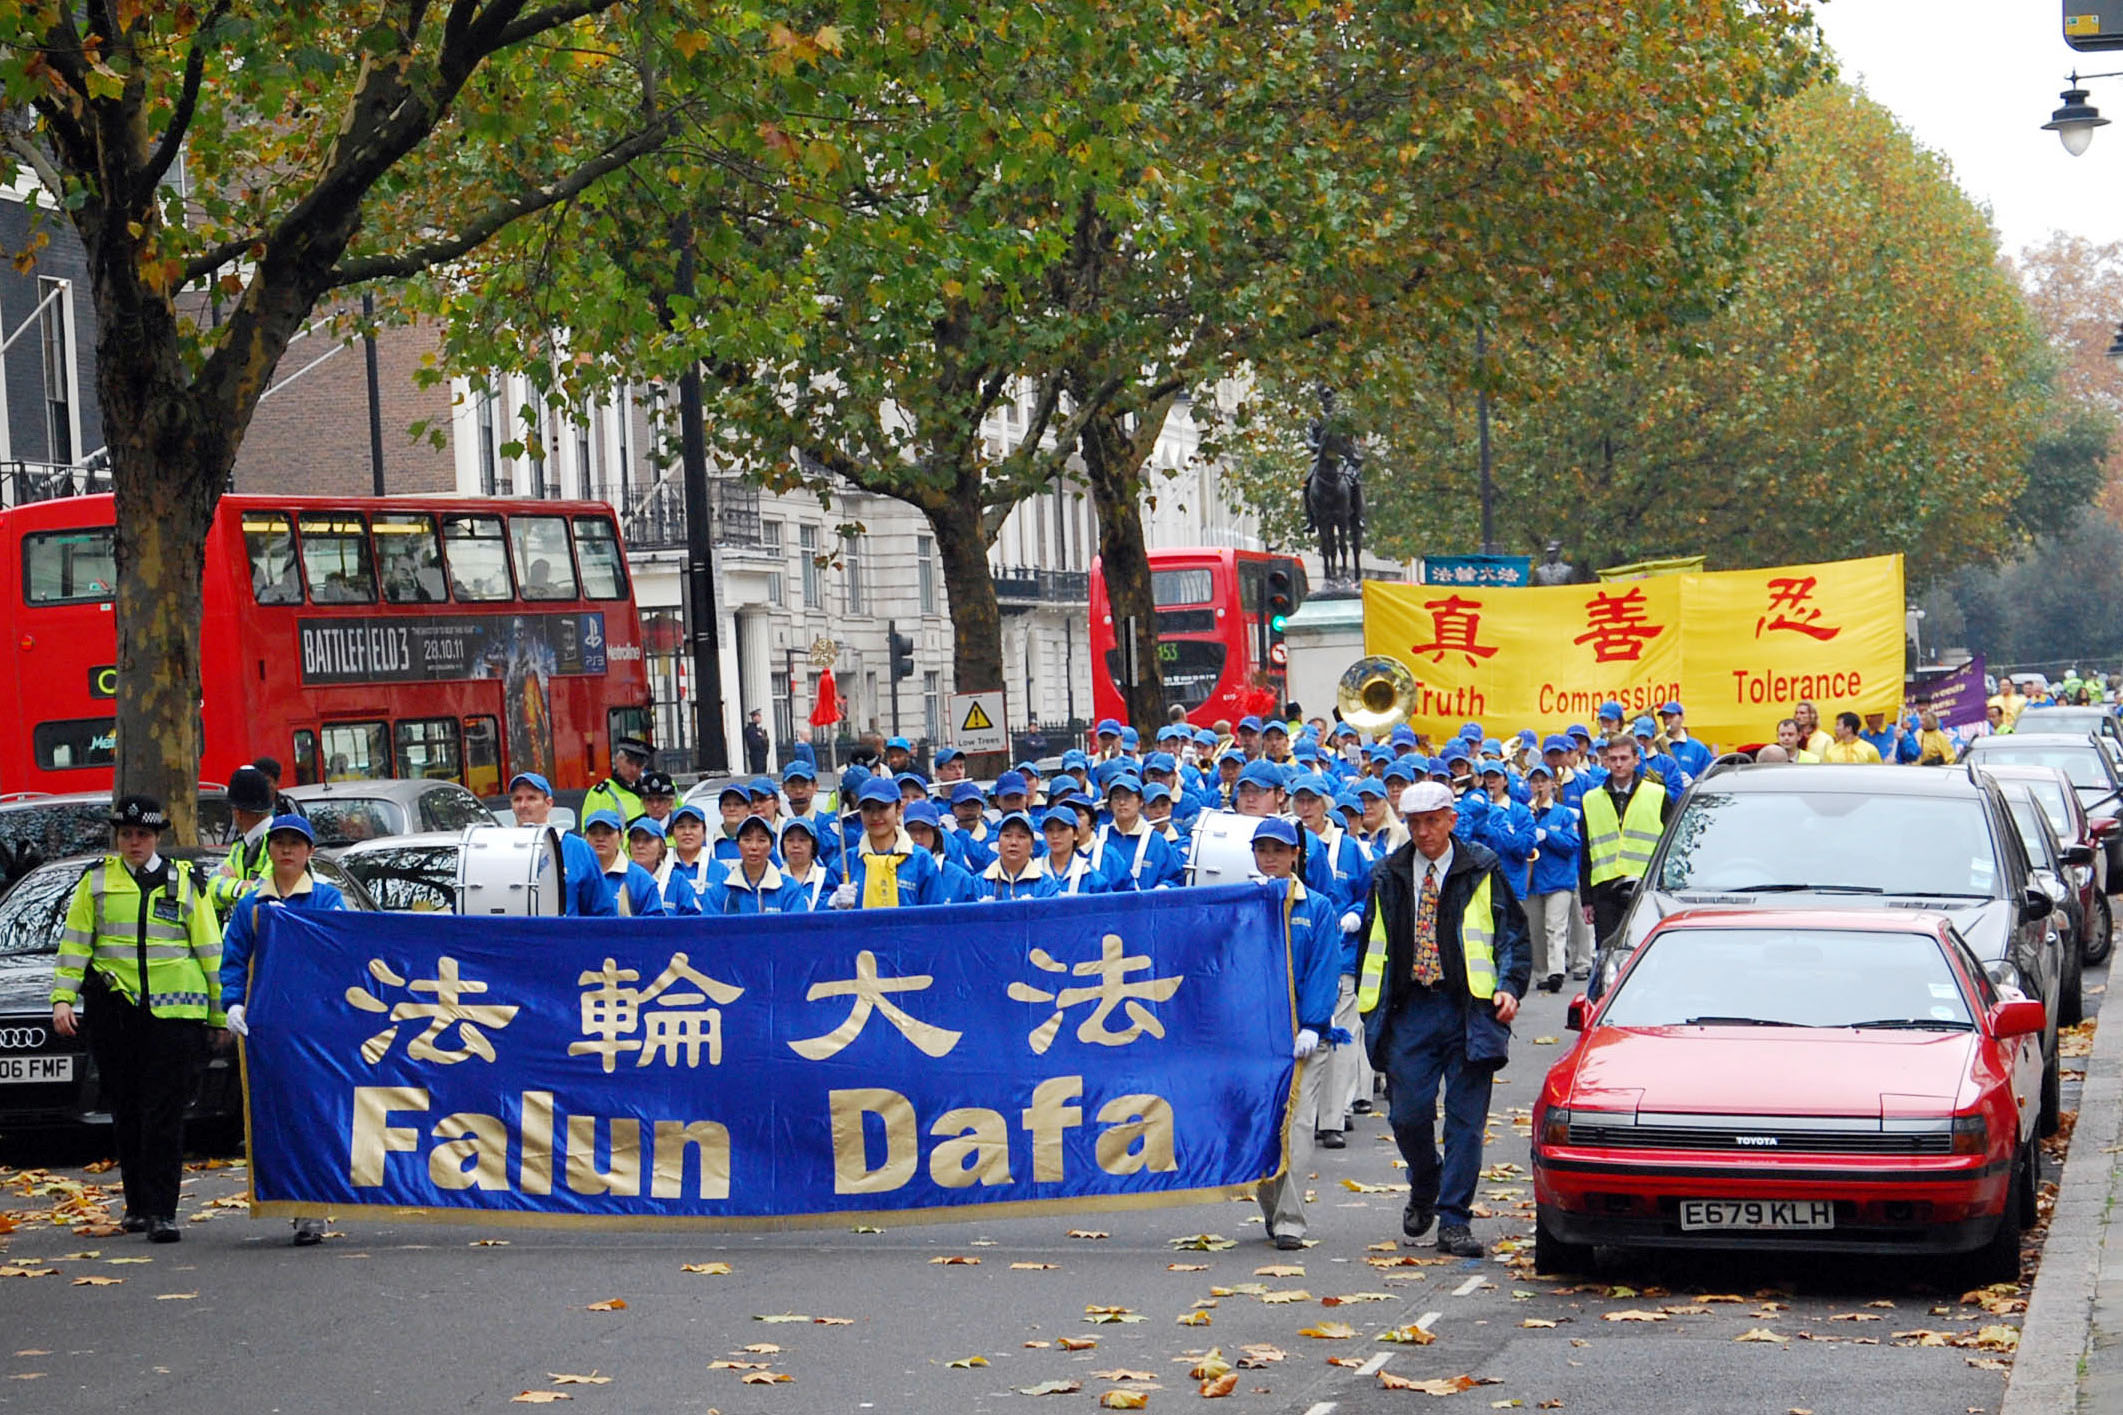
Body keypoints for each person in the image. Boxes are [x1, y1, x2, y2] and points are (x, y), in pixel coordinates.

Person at [1354, 781, 1530, 1257]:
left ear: (1452, 820)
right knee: (1407, 1115)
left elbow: (1512, 934)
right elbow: (1372, 942)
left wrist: (1509, 986)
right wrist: (1371, 1006)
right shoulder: (1389, 872)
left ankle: (1454, 1220)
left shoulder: (1481, 867)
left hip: (1469, 1009)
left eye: (1432, 822)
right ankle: (1425, 1180)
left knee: (1465, 1122)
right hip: (1410, 1009)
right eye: (1414, 823)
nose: (1424, 832)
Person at [51, 796, 226, 1243]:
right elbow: (75, 945)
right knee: (126, 1109)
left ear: (157, 838)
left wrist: (219, 1014)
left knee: (164, 1112)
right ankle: (137, 1206)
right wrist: (63, 999)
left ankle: (163, 1212)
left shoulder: (184, 882)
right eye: (126, 834)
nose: (134, 842)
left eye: (143, 835)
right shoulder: (96, 882)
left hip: (174, 1015)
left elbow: (210, 950)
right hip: (116, 1011)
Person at [217, 814, 344, 1245]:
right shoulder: (251, 905)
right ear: (269, 850)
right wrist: (233, 1003)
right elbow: (234, 961)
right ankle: (288, 1198)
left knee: (317, 1115)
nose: (287, 850)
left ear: (310, 852)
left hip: (317, 1027)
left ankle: (313, 1209)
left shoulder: (327, 900)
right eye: (280, 842)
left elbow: (345, 956)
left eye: (296, 843)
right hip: (269, 1029)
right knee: (280, 1116)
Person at [1249, 817, 1343, 1250]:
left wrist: (1313, 1023)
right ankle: (1272, 1206)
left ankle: (1290, 1220)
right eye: (1262, 850)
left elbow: (1325, 967)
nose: (1270, 858)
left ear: (1295, 855)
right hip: (1256, 1039)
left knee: (1299, 1126)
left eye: (1278, 850)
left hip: (1305, 1038)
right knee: (1263, 1128)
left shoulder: (1318, 908)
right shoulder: (1244, 903)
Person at [1578, 734, 1671, 952]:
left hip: (1645, 886)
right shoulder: (1591, 800)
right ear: (1606, 761)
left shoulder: (1657, 794)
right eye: (1613, 759)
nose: (1618, 764)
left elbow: (1671, 846)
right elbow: (1586, 852)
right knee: (1608, 952)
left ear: (1636, 760)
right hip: (1605, 889)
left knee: (1645, 949)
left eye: (1624, 758)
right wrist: (1586, 899)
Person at [507, 772, 615, 916]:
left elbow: (601, 911)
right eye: (517, 799)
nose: (523, 805)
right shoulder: (501, 849)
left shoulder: (577, 848)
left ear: (548, 803)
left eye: (531, 798)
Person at [831, 778, 944, 908]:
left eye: (883, 807)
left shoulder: (921, 861)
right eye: (867, 809)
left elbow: (936, 914)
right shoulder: (847, 862)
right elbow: (821, 911)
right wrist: (833, 903)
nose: (875, 816)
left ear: (899, 808)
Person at [1520, 763, 1582, 992]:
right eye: (1534, 782)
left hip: (1558, 880)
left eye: (1543, 781)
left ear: (1552, 784)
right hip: (1533, 881)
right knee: (1535, 931)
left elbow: (1573, 844)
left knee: (1555, 927)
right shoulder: (1524, 813)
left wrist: (1547, 835)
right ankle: (1541, 973)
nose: (1539, 786)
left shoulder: (1564, 813)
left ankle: (1556, 971)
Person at [208, 764, 279, 914]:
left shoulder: (277, 844)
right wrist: (240, 886)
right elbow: (211, 886)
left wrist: (229, 885)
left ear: (238, 813)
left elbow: (262, 896)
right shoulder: (240, 846)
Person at [1093, 776, 1180, 891]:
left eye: (1128, 797)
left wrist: (1163, 888)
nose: (1122, 803)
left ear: (1141, 802)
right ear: (1110, 804)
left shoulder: (1157, 841)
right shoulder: (1098, 837)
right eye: (1116, 798)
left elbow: (1175, 879)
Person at [699, 815, 793, 914]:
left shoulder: (789, 889)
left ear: (771, 847)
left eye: (761, 840)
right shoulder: (719, 892)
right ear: (738, 845)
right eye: (747, 840)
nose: (754, 847)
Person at [581, 810, 667, 916]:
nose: (600, 838)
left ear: (621, 836)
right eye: (594, 833)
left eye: (608, 832)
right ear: (585, 837)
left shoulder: (640, 878)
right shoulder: (575, 875)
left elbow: (655, 922)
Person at [905, 801, 980, 903]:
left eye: (924, 829)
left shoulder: (959, 878)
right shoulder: (895, 870)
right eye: (912, 830)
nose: (918, 836)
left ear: (935, 833)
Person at [974, 812, 1051, 900]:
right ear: (998, 843)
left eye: (1021, 836)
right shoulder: (978, 883)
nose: (1013, 842)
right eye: (1007, 836)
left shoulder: (1046, 885)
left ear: (1032, 844)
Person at [581, 736, 652, 827]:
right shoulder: (602, 794)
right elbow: (590, 831)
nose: (634, 769)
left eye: (639, 764)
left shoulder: (649, 790)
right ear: (617, 760)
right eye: (629, 762)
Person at [659, 802, 714, 912]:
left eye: (693, 826)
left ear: (704, 831)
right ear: (672, 832)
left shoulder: (720, 871)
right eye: (681, 827)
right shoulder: (660, 869)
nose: (687, 832)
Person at [777, 817, 839, 911]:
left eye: (802, 840)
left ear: (813, 845)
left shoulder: (826, 877)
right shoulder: (775, 879)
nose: (796, 845)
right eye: (790, 840)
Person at [744, 708, 771, 776]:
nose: (760, 718)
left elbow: (766, 741)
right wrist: (762, 741)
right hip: (756, 756)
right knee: (758, 773)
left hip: (763, 756)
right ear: (754, 717)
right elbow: (753, 743)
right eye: (759, 716)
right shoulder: (750, 730)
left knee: (763, 773)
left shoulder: (759, 729)